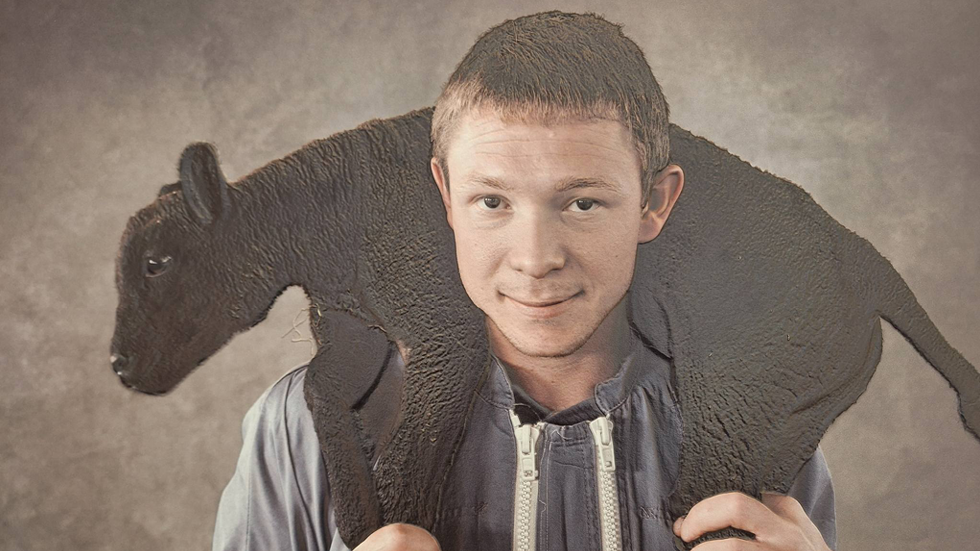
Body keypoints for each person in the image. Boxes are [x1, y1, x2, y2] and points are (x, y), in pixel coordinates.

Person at [213, 11, 837, 551]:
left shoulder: (759, 422)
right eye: (492, 202)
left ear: (654, 202)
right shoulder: (302, 427)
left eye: (582, 204)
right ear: (447, 197)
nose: (535, 259)